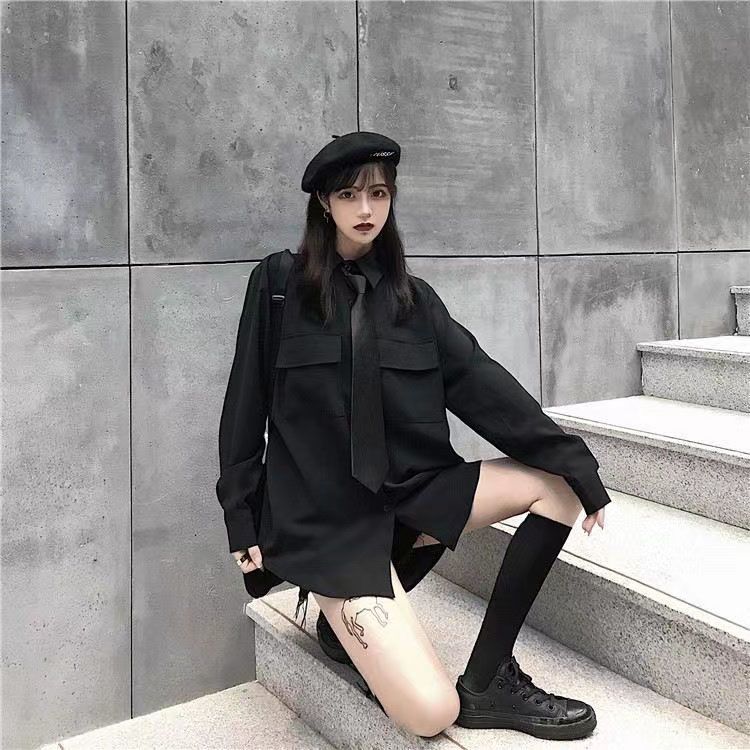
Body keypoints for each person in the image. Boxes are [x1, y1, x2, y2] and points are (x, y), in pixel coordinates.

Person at [216, 131, 610, 741]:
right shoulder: (278, 285)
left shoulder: (413, 300)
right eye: (349, 195)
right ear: (324, 202)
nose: (365, 209)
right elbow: (244, 403)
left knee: (555, 489)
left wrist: (576, 463)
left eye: (378, 194)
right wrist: (240, 515)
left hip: (407, 498)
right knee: (430, 713)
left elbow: (484, 386)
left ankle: (489, 681)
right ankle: (344, 619)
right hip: (329, 528)